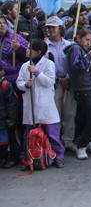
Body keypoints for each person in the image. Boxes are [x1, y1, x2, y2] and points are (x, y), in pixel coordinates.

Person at [17, 38, 64, 168]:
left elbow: (49, 82)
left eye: (29, 48)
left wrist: (37, 73)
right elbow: (18, 82)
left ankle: (59, 156)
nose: (26, 50)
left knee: (52, 134)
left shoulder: (49, 64)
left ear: (38, 52)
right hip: (30, 105)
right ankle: (30, 159)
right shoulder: (24, 66)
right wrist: (25, 84)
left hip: (45, 106)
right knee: (29, 135)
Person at [66, 28, 91, 160]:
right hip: (83, 88)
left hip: (90, 86)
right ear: (78, 38)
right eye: (86, 39)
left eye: (90, 40)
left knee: (87, 117)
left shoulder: (82, 49)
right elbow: (78, 67)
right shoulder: (75, 49)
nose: (89, 43)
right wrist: (89, 56)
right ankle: (81, 145)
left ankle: (88, 140)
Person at [44, 16, 77, 153]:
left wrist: (68, 78)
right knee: (54, 114)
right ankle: (55, 142)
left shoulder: (70, 45)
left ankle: (68, 140)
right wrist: (58, 79)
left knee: (70, 113)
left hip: (68, 84)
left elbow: (74, 64)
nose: (51, 30)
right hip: (53, 84)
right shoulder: (44, 47)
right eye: (49, 28)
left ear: (60, 29)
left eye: (53, 27)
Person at [0, 64, 18, 168]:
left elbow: (12, 103)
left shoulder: (5, 85)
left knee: (10, 140)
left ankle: (13, 158)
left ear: (2, 72)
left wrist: (11, 118)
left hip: (6, 119)